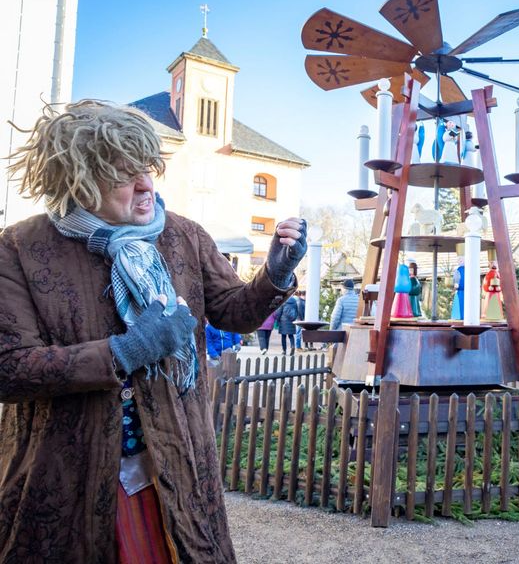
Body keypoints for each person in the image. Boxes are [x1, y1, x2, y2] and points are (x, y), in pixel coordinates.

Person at [0, 100, 307, 563]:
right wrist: (126, 351)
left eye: (146, 167)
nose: (147, 185)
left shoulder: (183, 235)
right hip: (68, 478)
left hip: (175, 469)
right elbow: (9, 369)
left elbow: (232, 311)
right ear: (78, 181)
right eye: (124, 176)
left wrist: (274, 276)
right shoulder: (21, 248)